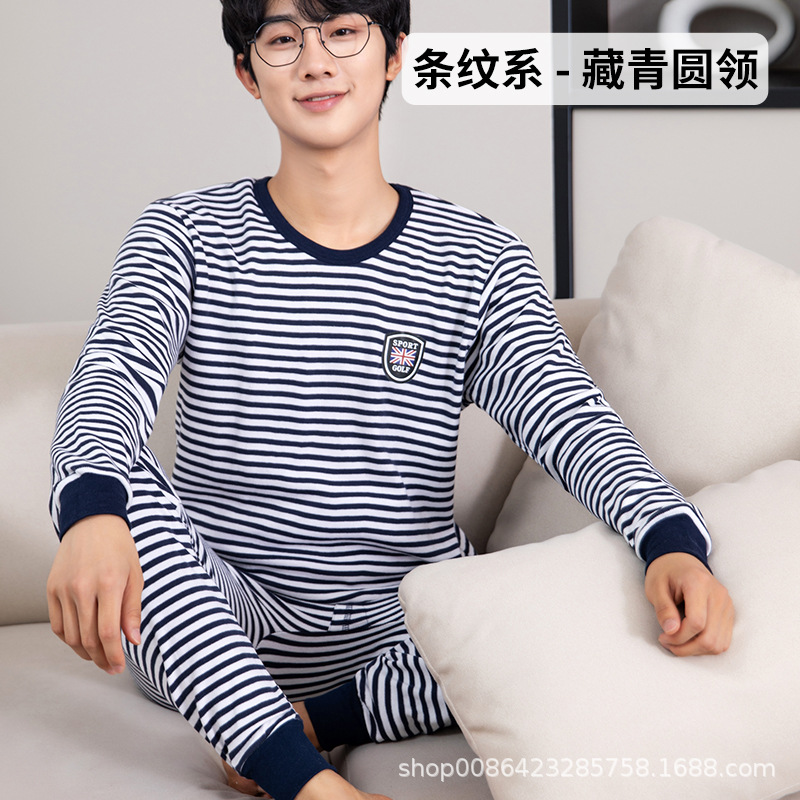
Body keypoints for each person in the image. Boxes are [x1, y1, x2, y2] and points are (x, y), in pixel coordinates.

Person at [45, 1, 735, 799]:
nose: (315, 61)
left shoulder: (480, 258)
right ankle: (302, 778)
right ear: (247, 73)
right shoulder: (181, 233)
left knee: (586, 583)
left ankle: (312, 721)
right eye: (282, 40)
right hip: (219, 619)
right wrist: (92, 514)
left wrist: (672, 541)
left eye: (342, 31)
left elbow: (568, 416)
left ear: (395, 53)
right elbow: (108, 380)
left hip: (412, 629)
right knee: (107, 486)